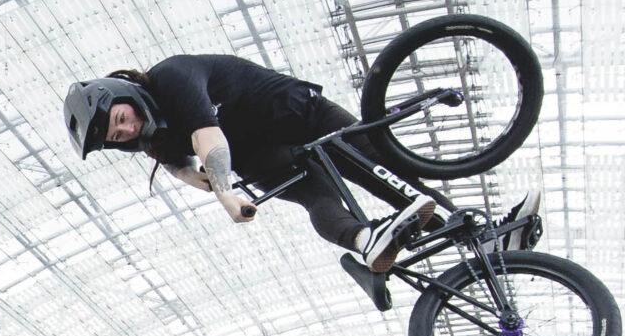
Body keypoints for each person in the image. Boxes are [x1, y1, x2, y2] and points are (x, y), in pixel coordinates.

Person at [64, 57, 456, 274]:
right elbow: (177, 165)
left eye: (120, 119)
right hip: (262, 156)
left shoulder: (171, 78)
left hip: (301, 115)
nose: (129, 130)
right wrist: (196, 180)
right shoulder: (155, 139)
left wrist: (227, 198)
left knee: (384, 175)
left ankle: (479, 235)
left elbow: (209, 143)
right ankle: (364, 242)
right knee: (318, 198)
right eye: (120, 137)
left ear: (122, 93)